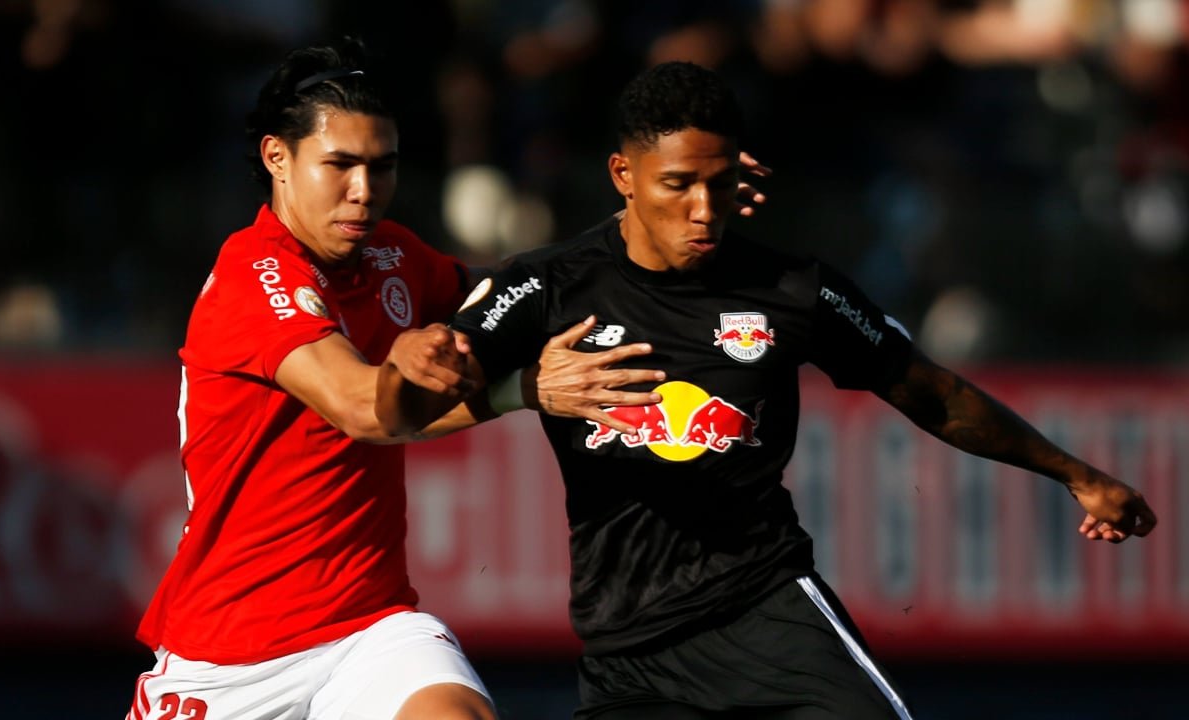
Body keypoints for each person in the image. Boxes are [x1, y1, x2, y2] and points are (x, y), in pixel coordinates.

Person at [431, 61, 1160, 719]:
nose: (703, 209)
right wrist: (520, 387)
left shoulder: (790, 289)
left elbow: (930, 393)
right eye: (677, 185)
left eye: (719, 183)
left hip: (767, 615)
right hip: (628, 653)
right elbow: (408, 407)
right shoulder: (548, 288)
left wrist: (1076, 474)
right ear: (624, 175)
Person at [124, 37, 670, 720]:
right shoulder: (252, 276)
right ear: (277, 158)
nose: (364, 191)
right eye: (340, 165)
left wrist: (648, 221)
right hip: (229, 656)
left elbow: (512, 298)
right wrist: (519, 389)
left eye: (381, 167)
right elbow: (364, 411)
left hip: (368, 630)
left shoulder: (392, 255)